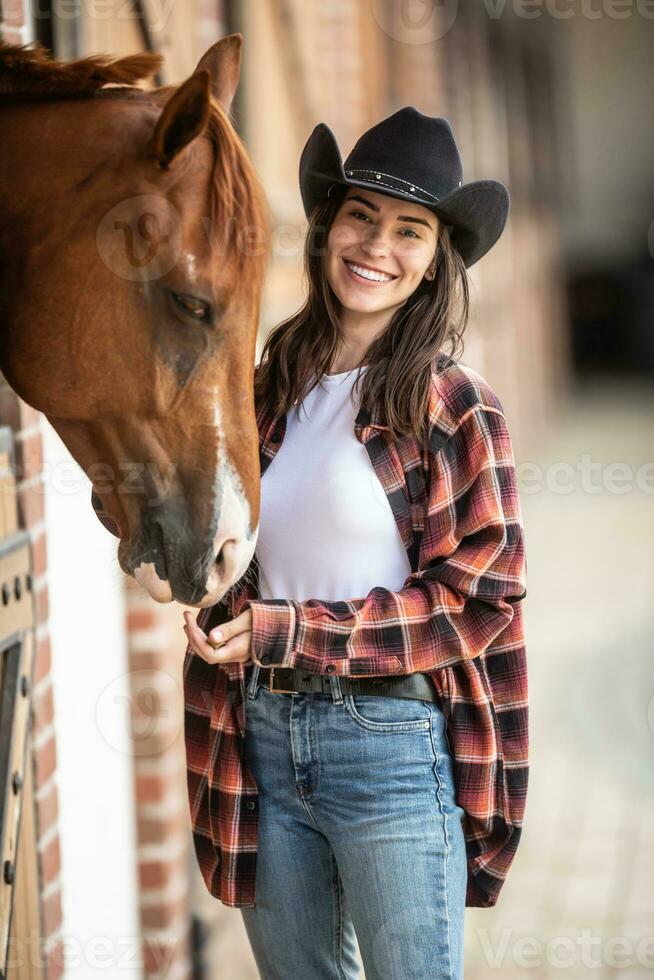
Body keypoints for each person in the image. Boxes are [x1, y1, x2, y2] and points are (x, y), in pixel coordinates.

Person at [181, 106, 529, 980]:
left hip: (391, 745)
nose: (377, 245)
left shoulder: (452, 405)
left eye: (409, 229)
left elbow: (474, 601)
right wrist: (219, 611)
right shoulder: (266, 386)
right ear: (329, 226)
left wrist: (288, 629)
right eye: (361, 215)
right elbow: (237, 549)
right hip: (260, 730)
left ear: (435, 259)